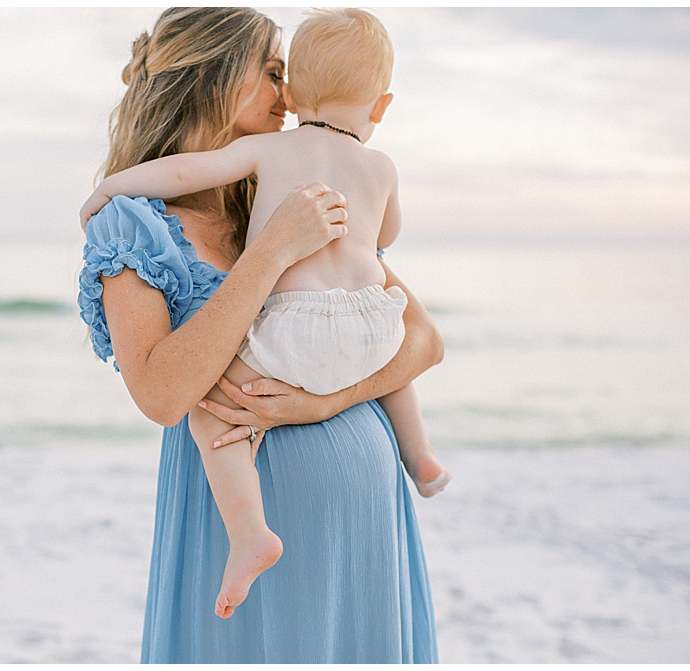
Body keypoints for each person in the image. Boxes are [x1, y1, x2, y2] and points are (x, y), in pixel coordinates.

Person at [78, 7, 442, 663]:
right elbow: (163, 393)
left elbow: (421, 338)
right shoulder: (136, 227)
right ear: (213, 80)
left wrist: (325, 402)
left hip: (363, 519)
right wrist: (270, 253)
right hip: (234, 529)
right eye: (274, 73)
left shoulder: (281, 192)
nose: (290, 93)